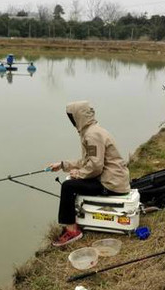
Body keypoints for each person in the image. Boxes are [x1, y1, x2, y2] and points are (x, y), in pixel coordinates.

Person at [48, 101, 130, 247]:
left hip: (111, 184)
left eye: (72, 117)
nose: (71, 121)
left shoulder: (92, 135)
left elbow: (95, 166)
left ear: (78, 117)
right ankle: (73, 223)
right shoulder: (93, 131)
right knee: (71, 182)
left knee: (68, 186)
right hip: (113, 180)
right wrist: (62, 165)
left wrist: (79, 174)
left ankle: (72, 231)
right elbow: (88, 161)